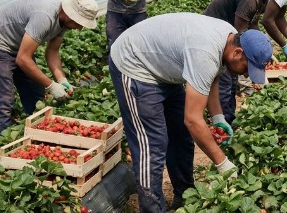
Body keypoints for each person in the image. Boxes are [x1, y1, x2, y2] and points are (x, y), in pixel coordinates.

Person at [109, 13, 272, 212]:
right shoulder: (205, 52)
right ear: (238, 53)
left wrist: (218, 117)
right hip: (135, 65)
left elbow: (213, 76)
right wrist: (222, 162)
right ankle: (152, 208)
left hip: (164, 69)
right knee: (152, 145)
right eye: (248, 68)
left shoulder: (228, 39)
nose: (247, 74)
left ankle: (184, 195)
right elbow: (193, 120)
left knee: (181, 136)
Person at [0, 0, 99, 139]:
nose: (79, 28)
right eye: (79, 23)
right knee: (2, 102)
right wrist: (51, 85)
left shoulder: (64, 20)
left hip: (19, 46)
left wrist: (61, 80)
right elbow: (23, 59)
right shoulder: (44, 17)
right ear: (69, 15)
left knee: (35, 93)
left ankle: (36, 136)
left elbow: (52, 51)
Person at [204, 0, 284, 124]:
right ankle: (222, 125)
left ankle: (229, 122)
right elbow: (240, 34)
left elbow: (252, 24)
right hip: (212, 36)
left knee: (232, 82)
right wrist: (255, 61)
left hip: (226, 36)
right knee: (225, 83)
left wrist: (265, 49)